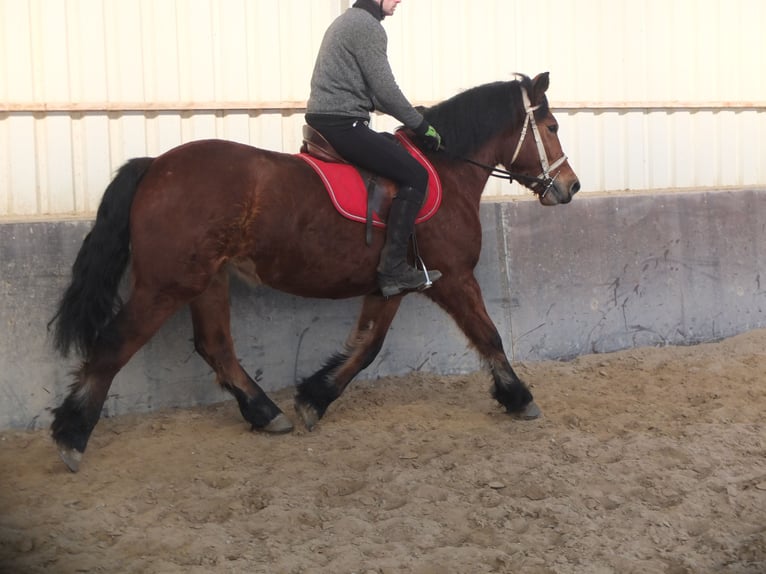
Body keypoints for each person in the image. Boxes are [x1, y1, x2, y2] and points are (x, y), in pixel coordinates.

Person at [306, 0, 443, 297]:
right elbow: (385, 89)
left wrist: (412, 113)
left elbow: (371, 93)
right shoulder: (367, 27)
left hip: (330, 120)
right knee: (416, 175)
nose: (399, 1)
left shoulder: (350, 21)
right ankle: (393, 269)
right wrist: (420, 126)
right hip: (342, 124)